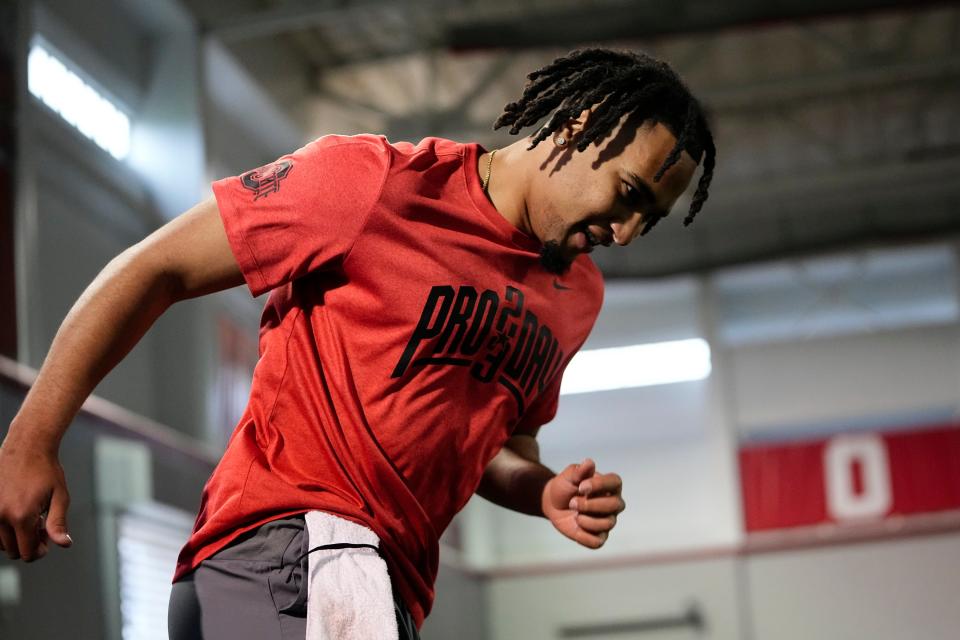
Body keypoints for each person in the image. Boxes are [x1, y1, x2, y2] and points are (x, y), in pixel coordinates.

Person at [0, 46, 714, 639]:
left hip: (382, 584)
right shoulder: (374, 184)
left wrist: (543, 489)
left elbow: (495, 446)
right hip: (294, 546)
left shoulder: (575, 297)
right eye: (626, 194)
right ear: (577, 127)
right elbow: (156, 267)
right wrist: (31, 437)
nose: (625, 232)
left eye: (648, 219)